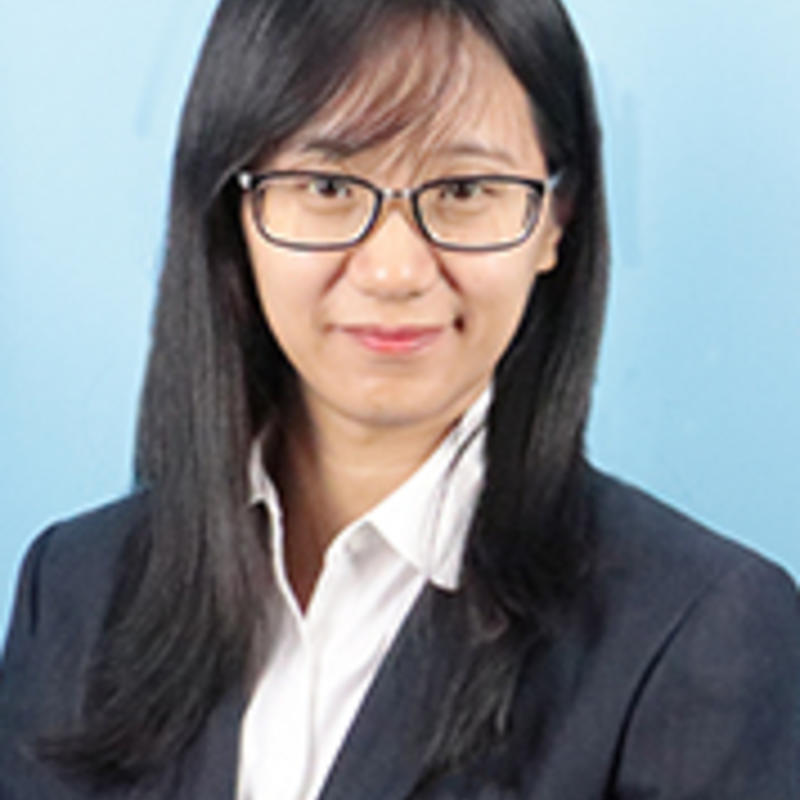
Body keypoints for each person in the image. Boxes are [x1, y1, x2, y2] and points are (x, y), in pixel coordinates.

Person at [1, 0, 798, 797]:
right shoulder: (76, 589)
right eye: (326, 185)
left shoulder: (697, 635)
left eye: (464, 188)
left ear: (556, 220)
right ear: (235, 210)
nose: (394, 271)